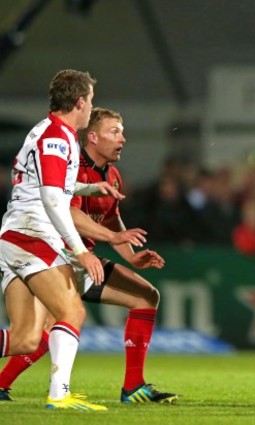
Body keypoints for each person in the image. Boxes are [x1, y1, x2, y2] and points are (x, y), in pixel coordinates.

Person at [0, 107, 178, 404]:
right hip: (54, 255)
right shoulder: (71, 165)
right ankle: (37, 391)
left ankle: (133, 387)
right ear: (92, 137)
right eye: (114, 131)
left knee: (145, 296)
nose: (122, 138)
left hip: (83, 259)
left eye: (122, 131)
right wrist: (110, 238)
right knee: (41, 332)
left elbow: (110, 220)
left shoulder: (113, 176)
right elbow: (68, 212)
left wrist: (131, 256)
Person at [0, 69, 108, 410]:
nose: (92, 107)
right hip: (31, 233)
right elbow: (49, 197)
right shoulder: (57, 138)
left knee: (24, 339)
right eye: (90, 100)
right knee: (72, 311)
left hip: (15, 235)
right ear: (79, 102)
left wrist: (89, 188)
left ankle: (59, 394)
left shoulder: (53, 133)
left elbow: (49, 183)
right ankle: (59, 395)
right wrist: (80, 250)